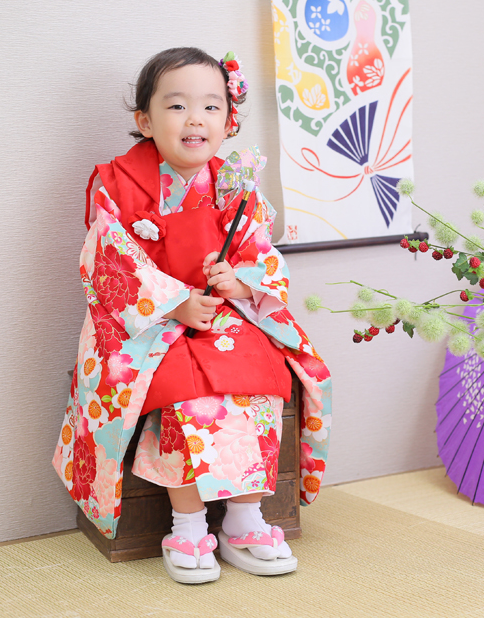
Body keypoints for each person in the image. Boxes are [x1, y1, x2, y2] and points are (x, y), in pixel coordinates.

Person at [52, 47, 332, 584]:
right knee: (182, 389)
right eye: (177, 106)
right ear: (145, 121)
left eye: (210, 106)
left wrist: (239, 283)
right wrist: (174, 302)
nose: (195, 119)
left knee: (259, 374)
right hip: (147, 321)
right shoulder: (116, 181)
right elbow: (107, 259)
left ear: (228, 121)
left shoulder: (235, 184)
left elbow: (260, 254)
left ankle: (245, 520)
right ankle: (187, 524)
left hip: (225, 314)